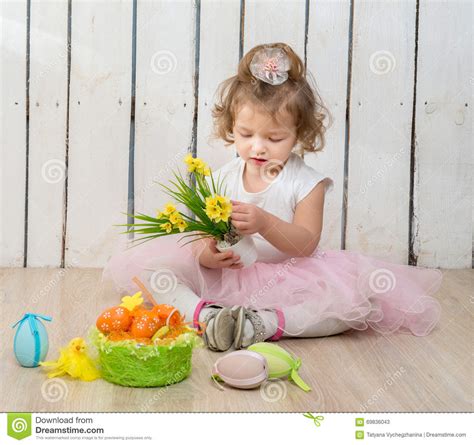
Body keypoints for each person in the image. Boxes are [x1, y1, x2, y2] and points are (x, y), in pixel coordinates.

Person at [101, 43, 442, 352]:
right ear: (231, 127)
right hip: (228, 278)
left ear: (299, 134)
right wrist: (207, 256)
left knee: (351, 308)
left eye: (275, 137)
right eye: (246, 134)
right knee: (155, 272)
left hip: (289, 276)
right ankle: (207, 317)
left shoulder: (307, 183)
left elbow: (306, 243)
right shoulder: (221, 179)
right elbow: (200, 237)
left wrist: (264, 222)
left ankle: (259, 324)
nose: (258, 146)